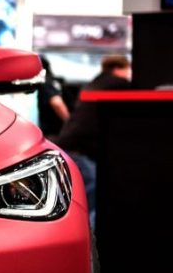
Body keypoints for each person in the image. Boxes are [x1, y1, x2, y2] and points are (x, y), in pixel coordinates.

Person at [56, 54, 132, 228]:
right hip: (80, 148)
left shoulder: (95, 83)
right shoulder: (117, 84)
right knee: (93, 194)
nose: (129, 75)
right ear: (118, 69)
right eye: (127, 70)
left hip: (71, 145)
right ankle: (87, 233)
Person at [37, 56, 70, 139]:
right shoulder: (54, 81)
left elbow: (57, 103)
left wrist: (70, 124)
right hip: (58, 130)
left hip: (54, 132)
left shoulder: (46, 83)